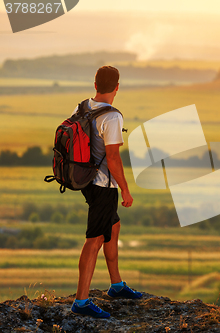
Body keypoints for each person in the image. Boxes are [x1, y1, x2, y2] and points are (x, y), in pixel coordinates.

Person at [70, 66, 141, 319]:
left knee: (113, 226)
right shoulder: (111, 117)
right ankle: (81, 301)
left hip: (85, 181)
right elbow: (113, 158)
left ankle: (117, 285)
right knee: (95, 239)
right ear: (117, 87)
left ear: (95, 84)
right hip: (103, 185)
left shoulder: (82, 108)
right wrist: (125, 189)